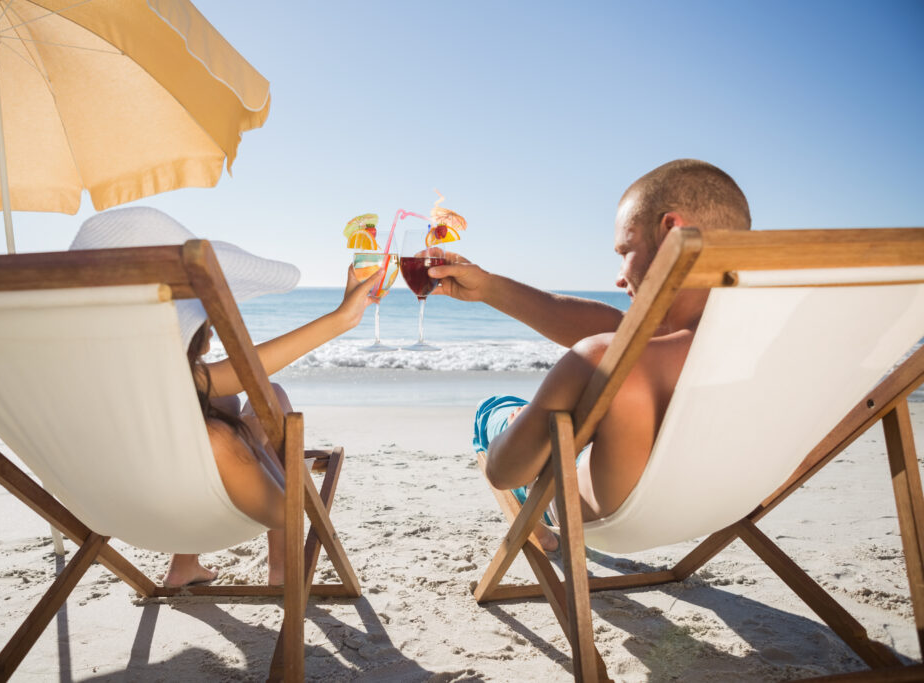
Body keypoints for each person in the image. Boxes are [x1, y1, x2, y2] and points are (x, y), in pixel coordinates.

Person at [430, 159, 751, 551]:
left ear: (671, 232)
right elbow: (621, 325)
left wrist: (525, 425)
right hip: (726, 504)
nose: (618, 277)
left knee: (496, 410)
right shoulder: (772, 347)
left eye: (625, 250)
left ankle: (531, 490)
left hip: (610, 516)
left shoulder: (601, 358)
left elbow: (504, 473)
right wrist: (489, 288)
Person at [71, 207, 383, 587]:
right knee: (269, 402)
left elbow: (237, 375)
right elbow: (278, 507)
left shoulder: (95, 381)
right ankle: (282, 571)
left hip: (114, 506)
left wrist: (341, 318)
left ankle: (183, 566)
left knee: (229, 401)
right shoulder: (209, 431)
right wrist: (250, 434)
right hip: (232, 502)